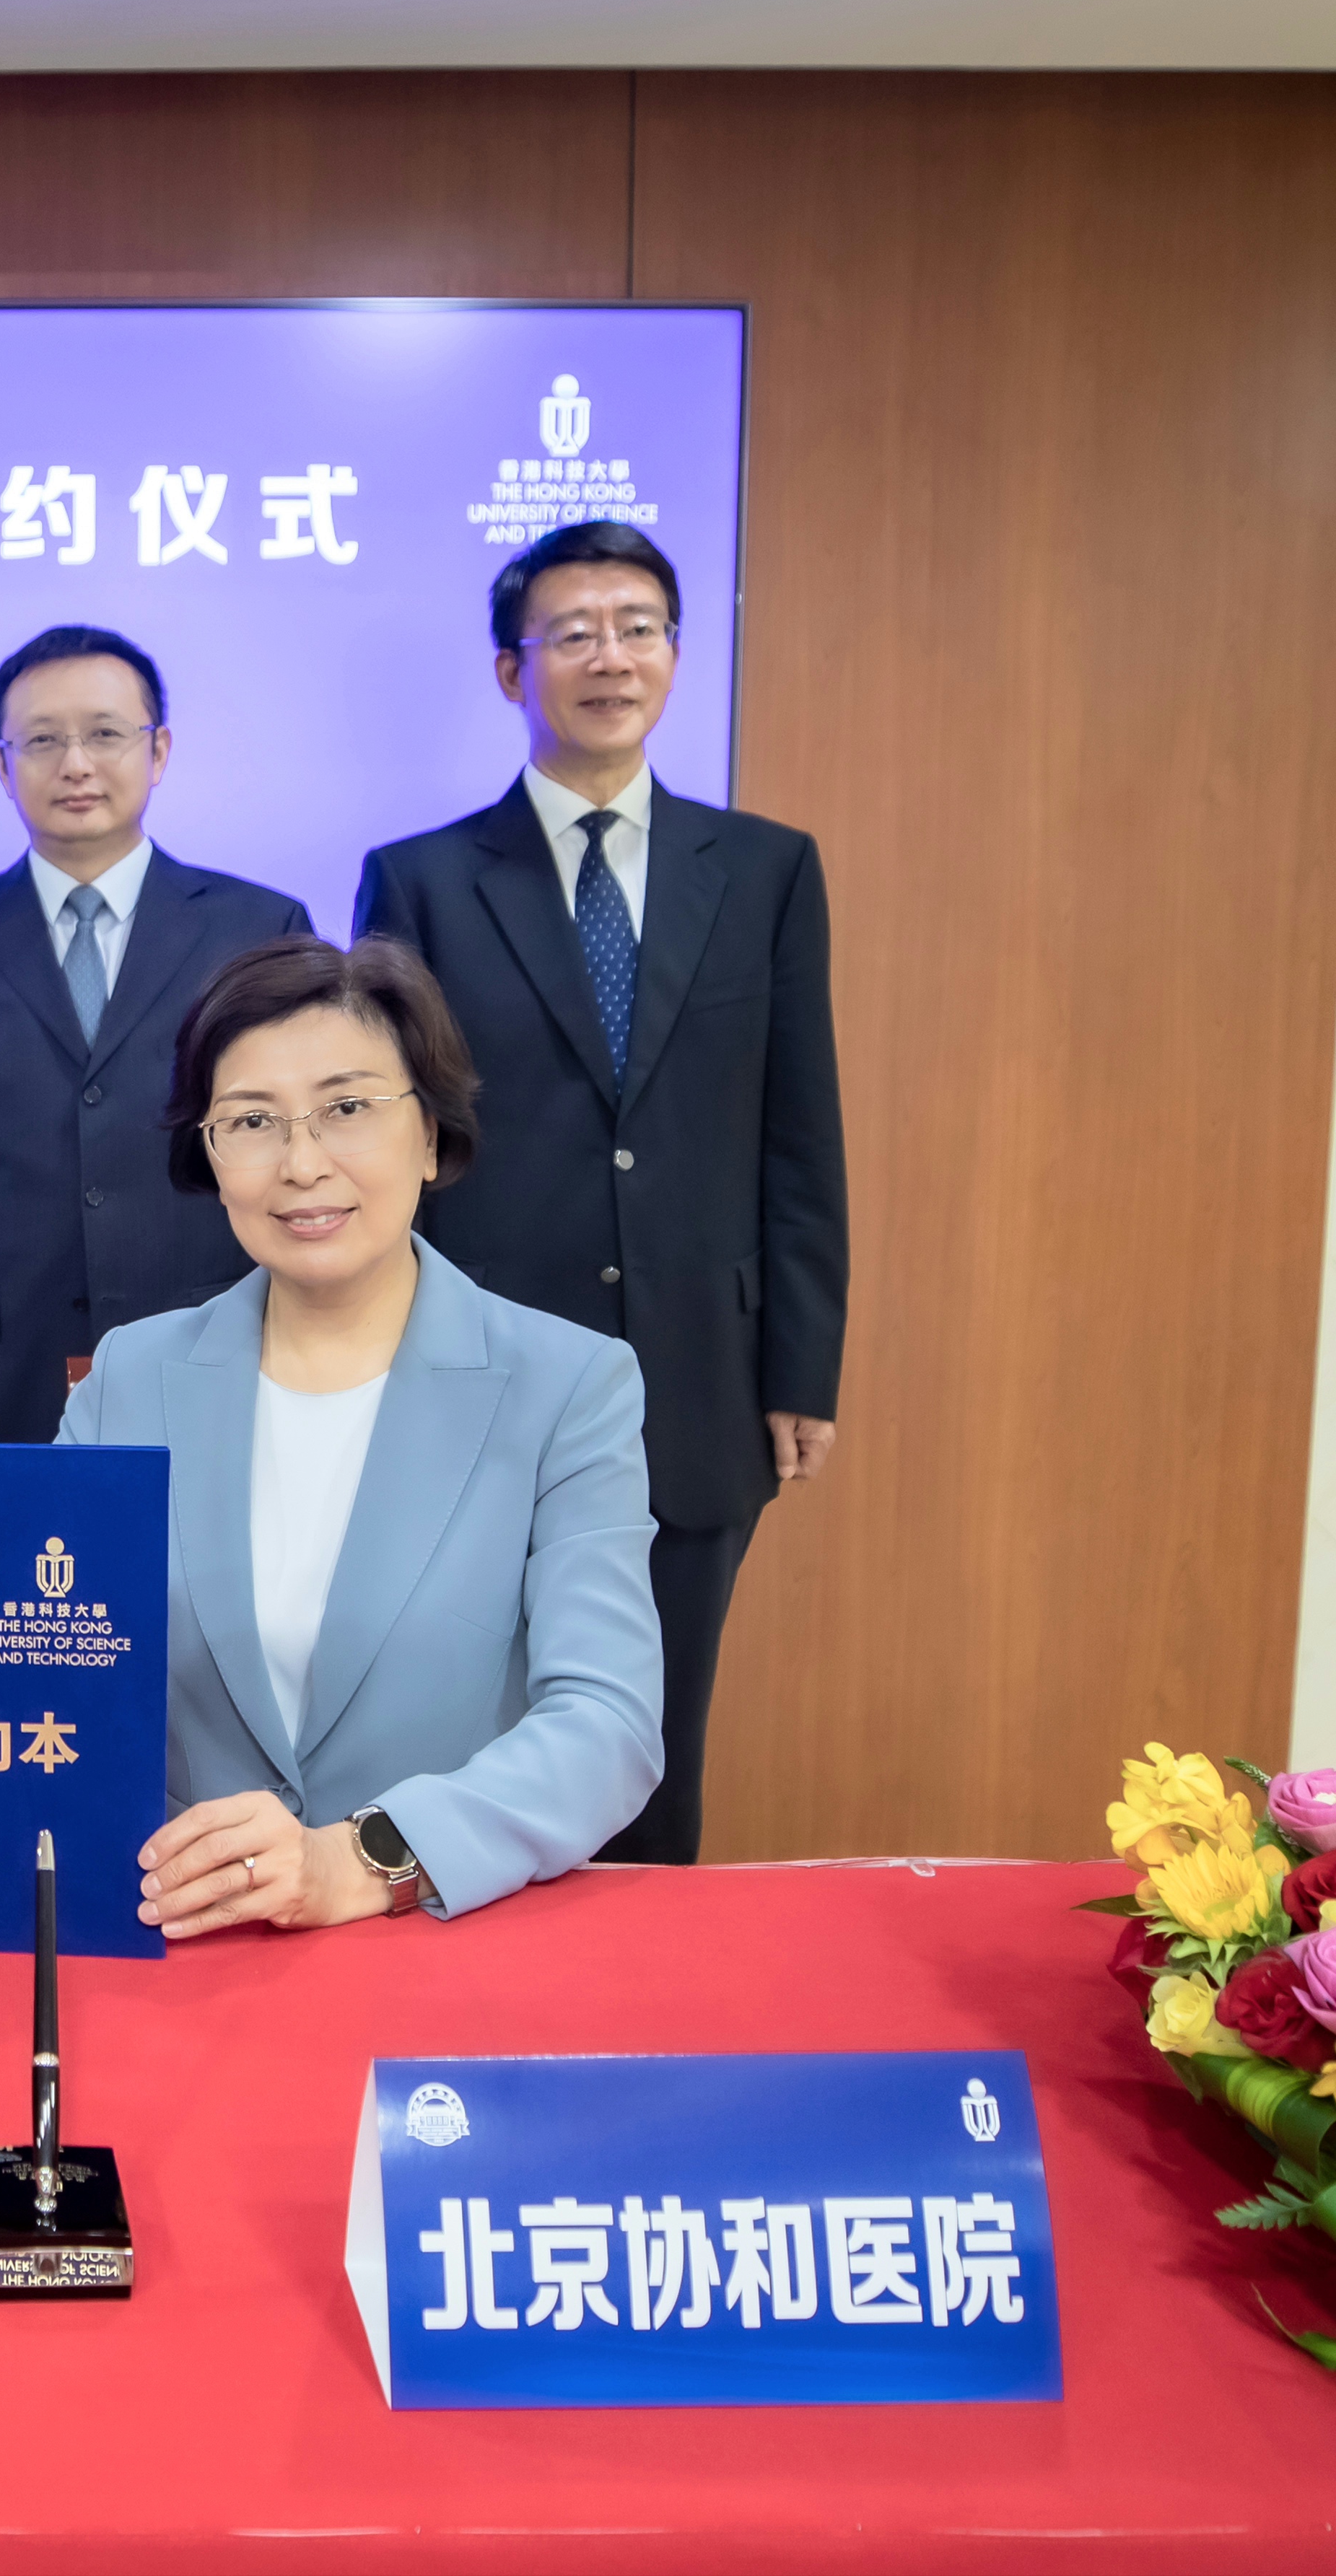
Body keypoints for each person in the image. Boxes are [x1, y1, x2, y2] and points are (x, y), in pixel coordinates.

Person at [351, 521, 847, 1867]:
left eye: (636, 628)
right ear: (511, 671)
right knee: (466, 1744)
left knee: (653, 1748)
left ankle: (640, 1988)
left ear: (674, 656)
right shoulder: (422, 879)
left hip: (696, 1381)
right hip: (477, 1376)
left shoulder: (763, 869)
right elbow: (385, 1137)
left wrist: (799, 1369)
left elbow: (799, 1136)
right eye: (570, 633)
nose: (608, 657)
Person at [60, 937, 663, 1934]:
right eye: (251, 1121)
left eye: (346, 1108)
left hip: (437, 1938)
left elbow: (607, 1725)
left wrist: (363, 1859)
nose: (301, 1164)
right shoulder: (128, 1377)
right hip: (182, 1938)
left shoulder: (569, 1385)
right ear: (209, 1157)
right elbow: (40, 1658)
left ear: (429, 1135)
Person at [0, 625, 311, 1443]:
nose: (76, 763)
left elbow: (299, 1153)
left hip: (218, 1347)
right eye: (42, 740)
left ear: (158, 749)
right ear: (2, 764)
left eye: (105, 733)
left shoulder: (260, 928)